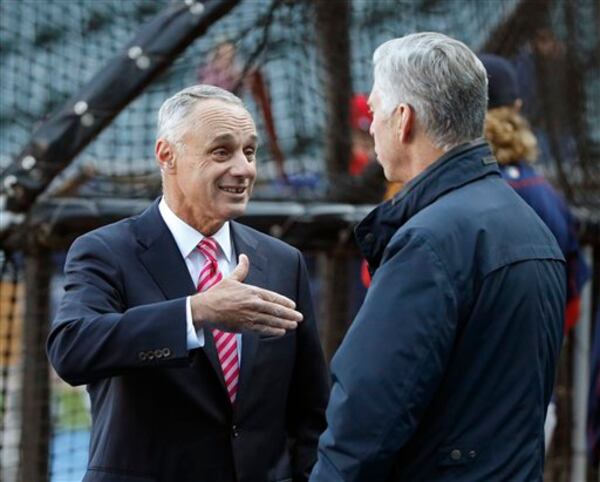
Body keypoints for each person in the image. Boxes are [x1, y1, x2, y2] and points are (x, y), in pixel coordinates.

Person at [310, 32, 566, 482]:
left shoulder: (430, 241)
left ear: (403, 119)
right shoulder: (529, 225)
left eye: (374, 111)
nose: (371, 127)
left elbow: (369, 414)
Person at [47, 85, 329, 482]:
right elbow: (72, 348)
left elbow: (309, 410)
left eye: (249, 151)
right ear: (167, 155)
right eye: (221, 151)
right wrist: (196, 312)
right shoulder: (106, 251)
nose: (244, 168)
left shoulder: (283, 262)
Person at [480, 53, 590, 333]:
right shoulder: (544, 191)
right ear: (516, 107)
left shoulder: (448, 187)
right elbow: (571, 298)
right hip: (532, 356)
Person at [198, 40, 287, 180]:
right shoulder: (210, 74)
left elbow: (246, 81)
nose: (229, 57)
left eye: (231, 53)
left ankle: (279, 171)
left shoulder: (236, 71)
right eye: (225, 53)